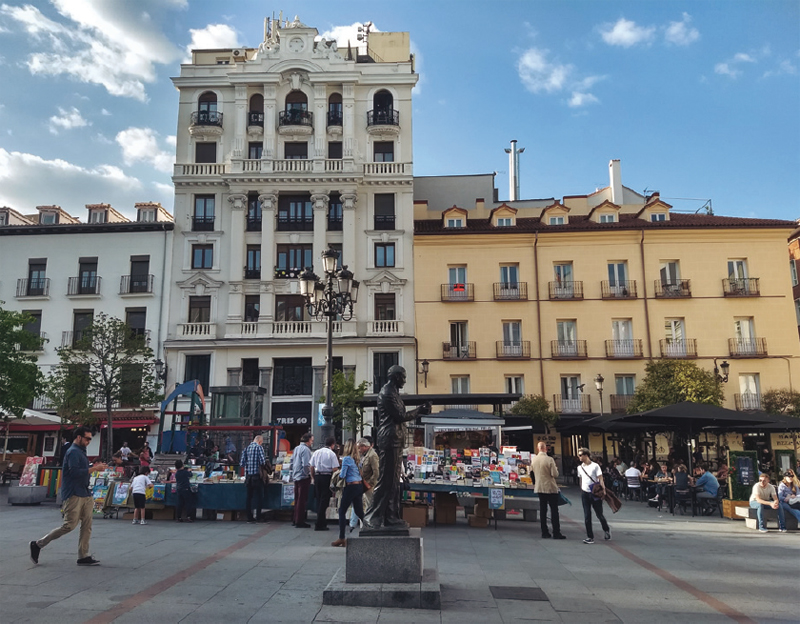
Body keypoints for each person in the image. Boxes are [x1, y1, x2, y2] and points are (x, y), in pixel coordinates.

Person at [363, 365, 431, 530]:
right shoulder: (387, 393)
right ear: (396, 377)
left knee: (393, 481)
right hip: (389, 439)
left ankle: (391, 516)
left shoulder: (393, 393)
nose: (405, 380)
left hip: (395, 439)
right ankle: (372, 516)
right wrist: (419, 410)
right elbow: (400, 416)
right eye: (403, 377)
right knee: (386, 480)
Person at [30, 427, 107, 566]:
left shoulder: (81, 452)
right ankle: (38, 544)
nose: (89, 441)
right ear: (78, 437)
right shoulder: (73, 452)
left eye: (90, 439)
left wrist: (94, 467)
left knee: (87, 524)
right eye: (87, 438)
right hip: (73, 493)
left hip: (84, 492)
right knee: (69, 525)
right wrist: (95, 468)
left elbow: (82, 471)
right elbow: (75, 473)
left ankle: (83, 555)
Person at [332, 439, 366, 547]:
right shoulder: (357, 459)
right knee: (359, 511)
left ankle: (342, 537)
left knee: (342, 511)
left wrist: (337, 472)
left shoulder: (346, 459)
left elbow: (342, 475)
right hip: (359, 486)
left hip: (351, 486)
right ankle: (371, 529)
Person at [532, 441, 565, 539]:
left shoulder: (534, 459)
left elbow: (532, 472)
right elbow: (555, 474)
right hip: (550, 487)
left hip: (539, 487)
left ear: (538, 448)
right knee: (554, 510)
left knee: (543, 510)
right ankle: (556, 532)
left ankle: (544, 532)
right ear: (545, 448)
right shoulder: (549, 459)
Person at [576, 448, 610, 544]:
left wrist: (603, 490)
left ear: (586, 455)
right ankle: (590, 536)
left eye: (580, 455)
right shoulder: (580, 467)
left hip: (595, 493)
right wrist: (581, 489)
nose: (579, 457)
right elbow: (581, 479)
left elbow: (600, 479)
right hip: (585, 493)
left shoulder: (595, 466)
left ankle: (606, 529)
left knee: (599, 514)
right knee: (587, 515)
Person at [309, 436, 339, 531]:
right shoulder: (332, 454)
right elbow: (335, 469)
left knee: (319, 499)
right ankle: (320, 522)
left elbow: (312, 466)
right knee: (324, 500)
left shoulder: (317, 452)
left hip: (318, 476)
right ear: (332, 444)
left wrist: (313, 477)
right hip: (327, 477)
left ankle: (321, 521)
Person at [350, 438, 379, 533]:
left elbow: (376, 472)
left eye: (359, 448)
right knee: (361, 505)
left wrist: (370, 484)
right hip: (363, 483)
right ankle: (363, 525)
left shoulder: (372, 455)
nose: (359, 450)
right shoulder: (365, 455)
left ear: (364, 446)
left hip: (368, 485)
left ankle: (370, 525)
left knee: (369, 505)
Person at [241, 434, 267, 524]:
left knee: (249, 497)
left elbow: (242, 463)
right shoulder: (259, 448)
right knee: (259, 497)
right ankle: (258, 517)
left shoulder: (247, 448)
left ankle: (249, 517)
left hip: (248, 476)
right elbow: (263, 461)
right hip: (257, 476)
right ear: (260, 441)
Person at [291, 432, 314, 528]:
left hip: (296, 476)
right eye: (312, 440)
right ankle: (299, 520)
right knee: (302, 499)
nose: (312, 442)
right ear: (308, 440)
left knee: (297, 499)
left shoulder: (297, 448)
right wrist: (307, 474)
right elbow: (306, 464)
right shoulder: (306, 450)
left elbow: (292, 461)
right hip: (302, 477)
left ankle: (295, 518)